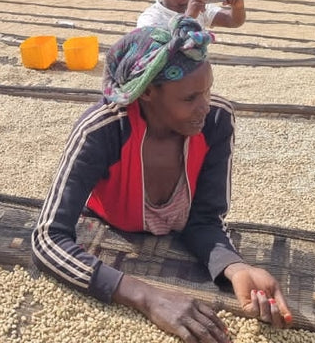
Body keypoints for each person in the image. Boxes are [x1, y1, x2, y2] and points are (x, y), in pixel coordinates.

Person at [32, 18, 291, 342]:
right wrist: (147, 297)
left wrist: (236, 268)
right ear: (149, 92)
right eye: (190, 98)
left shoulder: (216, 120)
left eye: (208, 90)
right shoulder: (103, 130)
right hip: (112, 225)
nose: (204, 106)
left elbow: (204, 219)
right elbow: (47, 238)